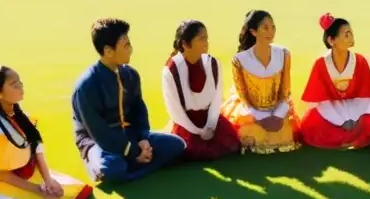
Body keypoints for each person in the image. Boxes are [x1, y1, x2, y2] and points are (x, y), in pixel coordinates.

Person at [72, 17, 186, 182]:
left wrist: (142, 139)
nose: (131, 50)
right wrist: (134, 152)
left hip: (129, 135)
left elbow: (139, 110)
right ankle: (105, 166)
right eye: (126, 46)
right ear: (109, 51)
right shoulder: (86, 86)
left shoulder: (130, 74)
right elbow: (99, 133)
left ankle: (132, 164)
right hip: (97, 143)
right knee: (112, 167)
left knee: (177, 145)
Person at [0, 64, 93, 199]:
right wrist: (38, 189)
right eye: (14, 84)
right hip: (8, 183)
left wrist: (48, 180)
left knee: (68, 192)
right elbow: (2, 175)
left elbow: (37, 151)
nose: (20, 87)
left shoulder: (24, 118)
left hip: (31, 175)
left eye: (20, 82)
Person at [298, 13, 370, 149]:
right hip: (330, 109)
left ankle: (348, 137)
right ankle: (353, 138)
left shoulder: (360, 61)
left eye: (351, 33)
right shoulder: (321, 64)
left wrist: (355, 118)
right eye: (346, 34)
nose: (351, 38)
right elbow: (321, 100)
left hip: (356, 106)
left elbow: (366, 96)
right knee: (310, 126)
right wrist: (340, 120)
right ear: (331, 40)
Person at [222, 10, 300, 154]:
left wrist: (277, 115)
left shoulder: (284, 54)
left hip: (277, 108)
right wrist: (261, 118)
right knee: (251, 133)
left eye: (273, 27)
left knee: (284, 134)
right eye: (265, 27)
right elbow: (244, 98)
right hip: (251, 111)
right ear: (253, 32)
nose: (271, 32)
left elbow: (285, 92)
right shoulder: (239, 61)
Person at [161, 19, 240, 161]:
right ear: (185, 44)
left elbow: (216, 98)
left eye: (207, 38)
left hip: (209, 119)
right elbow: (175, 110)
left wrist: (210, 125)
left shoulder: (213, 64)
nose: (206, 42)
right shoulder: (171, 70)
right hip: (186, 123)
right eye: (201, 38)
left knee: (232, 144)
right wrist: (198, 131)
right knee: (187, 151)